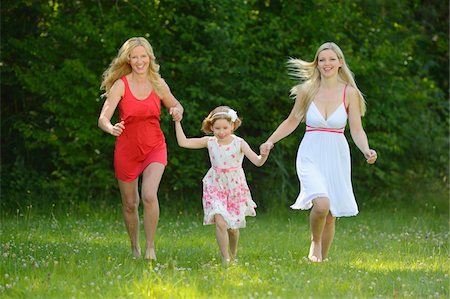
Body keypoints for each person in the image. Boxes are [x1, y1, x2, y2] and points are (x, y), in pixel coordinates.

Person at [260, 42, 377, 263]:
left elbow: (357, 130)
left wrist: (366, 150)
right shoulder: (307, 90)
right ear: (317, 63)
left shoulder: (349, 93)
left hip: (337, 154)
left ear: (340, 62)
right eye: (322, 60)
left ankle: (321, 260)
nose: (327, 64)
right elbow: (291, 121)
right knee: (321, 204)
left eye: (332, 59)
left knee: (330, 213)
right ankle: (315, 243)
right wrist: (270, 141)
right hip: (310, 152)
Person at [98, 37, 183, 260]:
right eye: (134, 57)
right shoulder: (121, 85)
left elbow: (175, 104)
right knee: (129, 204)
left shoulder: (158, 83)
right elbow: (103, 118)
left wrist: (176, 111)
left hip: (155, 146)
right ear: (128, 59)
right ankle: (135, 247)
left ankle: (150, 248)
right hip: (127, 150)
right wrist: (110, 128)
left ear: (149, 57)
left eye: (143, 56)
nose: (139, 61)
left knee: (148, 194)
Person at [174, 106, 270, 265]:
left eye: (225, 128)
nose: (221, 132)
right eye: (217, 128)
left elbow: (258, 161)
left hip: (234, 187)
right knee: (220, 221)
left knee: (232, 228)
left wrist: (264, 154)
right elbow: (183, 142)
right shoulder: (210, 142)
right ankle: (225, 258)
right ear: (211, 127)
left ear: (232, 126)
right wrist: (177, 122)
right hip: (215, 184)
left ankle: (233, 254)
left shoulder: (239, 143)